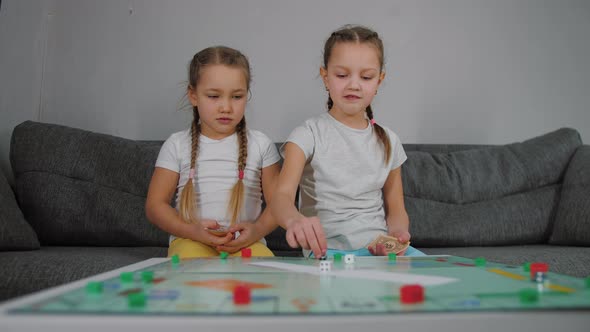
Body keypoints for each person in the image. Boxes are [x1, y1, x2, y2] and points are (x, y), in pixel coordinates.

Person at [271, 25, 425, 259]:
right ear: (325, 77)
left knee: (438, 283)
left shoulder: (389, 141)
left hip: (379, 252)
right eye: (342, 75)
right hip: (328, 253)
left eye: (366, 77)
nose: (354, 84)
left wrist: (396, 235)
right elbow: (281, 197)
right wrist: (294, 220)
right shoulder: (307, 134)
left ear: (379, 80)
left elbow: (397, 212)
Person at [146, 46, 280, 258]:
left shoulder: (261, 145)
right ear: (193, 95)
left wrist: (256, 231)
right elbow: (155, 206)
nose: (225, 107)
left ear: (247, 95)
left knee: (265, 272)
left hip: (245, 244)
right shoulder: (176, 145)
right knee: (192, 270)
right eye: (214, 96)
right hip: (191, 241)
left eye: (236, 96)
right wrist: (191, 231)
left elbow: (279, 204)